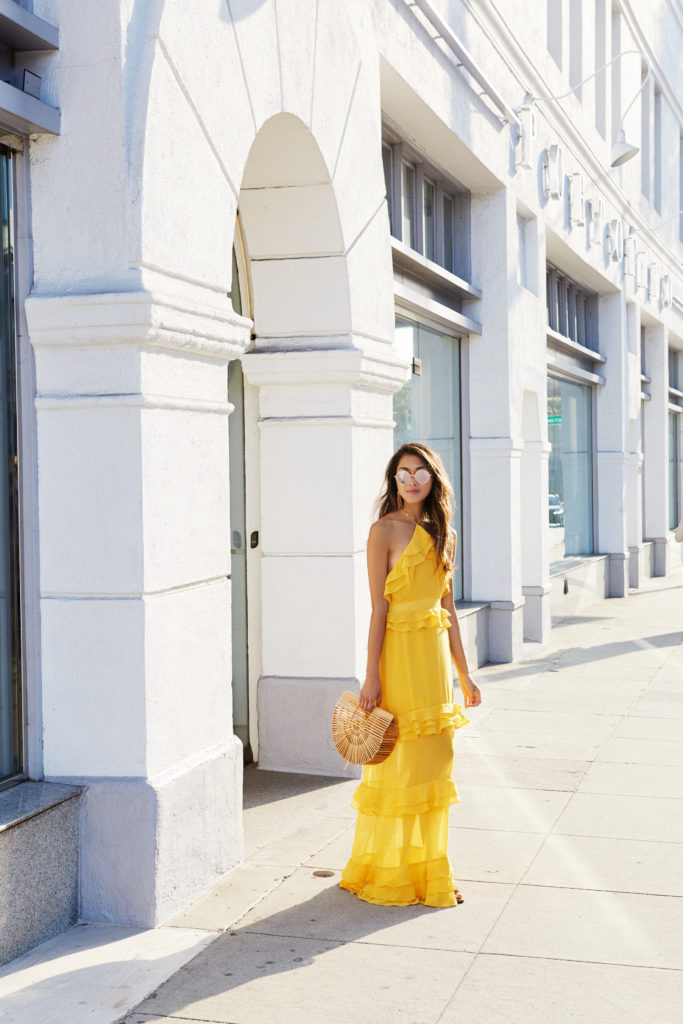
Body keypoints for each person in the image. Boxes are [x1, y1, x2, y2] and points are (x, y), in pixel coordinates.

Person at [340, 442, 481, 908]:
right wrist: (371, 676)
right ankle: (395, 871)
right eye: (403, 472)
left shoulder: (446, 534)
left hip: (434, 666)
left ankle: (432, 870)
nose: (412, 480)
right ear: (393, 479)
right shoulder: (383, 531)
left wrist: (465, 676)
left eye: (421, 472)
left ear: (433, 479)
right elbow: (378, 610)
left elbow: (450, 610)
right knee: (400, 767)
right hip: (397, 662)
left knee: (436, 763)